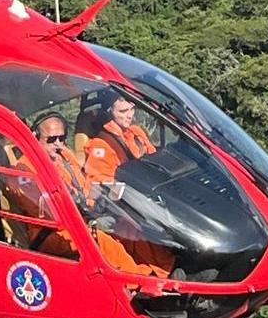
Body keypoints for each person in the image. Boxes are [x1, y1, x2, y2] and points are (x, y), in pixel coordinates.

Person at [30, 112, 174, 277]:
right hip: (55, 230)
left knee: (129, 225)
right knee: (100, 239)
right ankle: (135, 281)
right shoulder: (27, 169)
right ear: (35, 138)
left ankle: (166, 270)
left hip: (82, 215)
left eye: (62, 138)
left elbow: (85, 184)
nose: (58, 144)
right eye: (51, 139)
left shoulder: (64, 156)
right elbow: (44, 207)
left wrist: (103, 193)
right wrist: (83, 203)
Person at [83, 94, 157, 183]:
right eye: (123, 111)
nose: (130, 115)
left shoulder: (136, 131)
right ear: (109, 112)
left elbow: (155, 157)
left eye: (132, 109)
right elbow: (98, 181)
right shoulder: (101, 145)